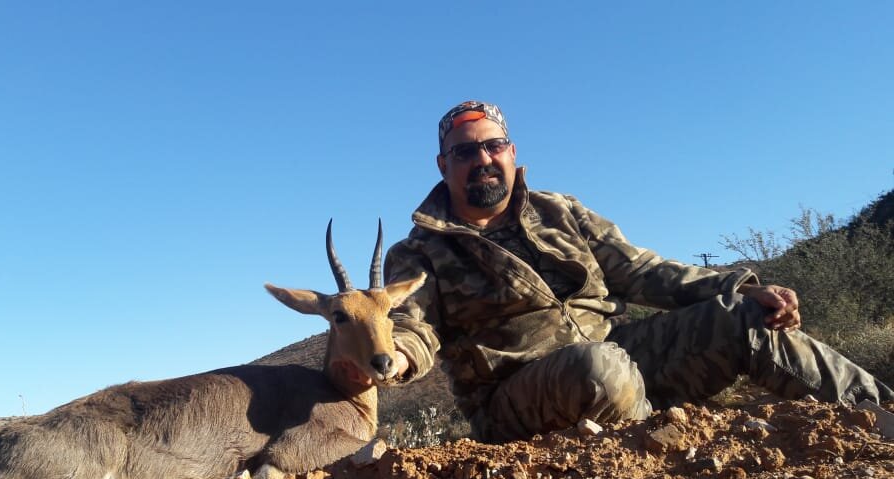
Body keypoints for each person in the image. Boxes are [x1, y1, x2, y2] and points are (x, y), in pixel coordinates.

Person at [338, 100, 893, 444]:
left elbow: (643, 272)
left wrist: (740, 285)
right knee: (596, 368)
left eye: (494, 145)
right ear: (443, 165)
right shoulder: (421, 249)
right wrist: (398, 355)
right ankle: (661, 466)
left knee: (745, 316)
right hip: (514, 398)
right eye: (464, 152)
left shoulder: (560, 210)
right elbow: (410, 325)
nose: (482, 159)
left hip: (621, 355)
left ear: (511, 152)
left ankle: (880, 416)